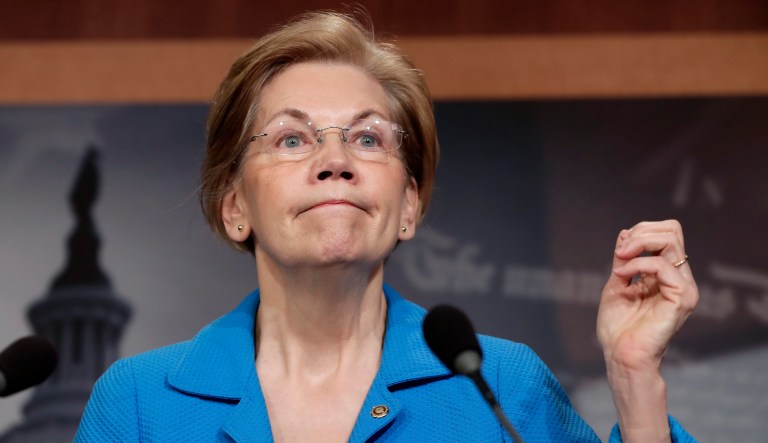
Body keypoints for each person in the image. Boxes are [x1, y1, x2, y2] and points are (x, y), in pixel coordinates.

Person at [75, 11, 698, 442]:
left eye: (368, 138)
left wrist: (633, 376)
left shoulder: (505, 385)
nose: (335, 162)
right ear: (233, 205)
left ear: (409, 205)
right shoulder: (138, 405)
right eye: (293, 138)